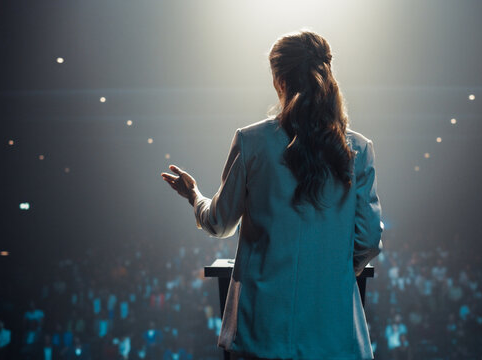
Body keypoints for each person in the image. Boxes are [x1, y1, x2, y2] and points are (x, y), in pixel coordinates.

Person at [161, 29, 383, 360]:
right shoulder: (358, 149)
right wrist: (325, 272)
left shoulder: (251, 142)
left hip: (261, 333)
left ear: (279, 79)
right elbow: (367, 241)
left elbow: (220, 223)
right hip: (333, 338)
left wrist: (194, 196)